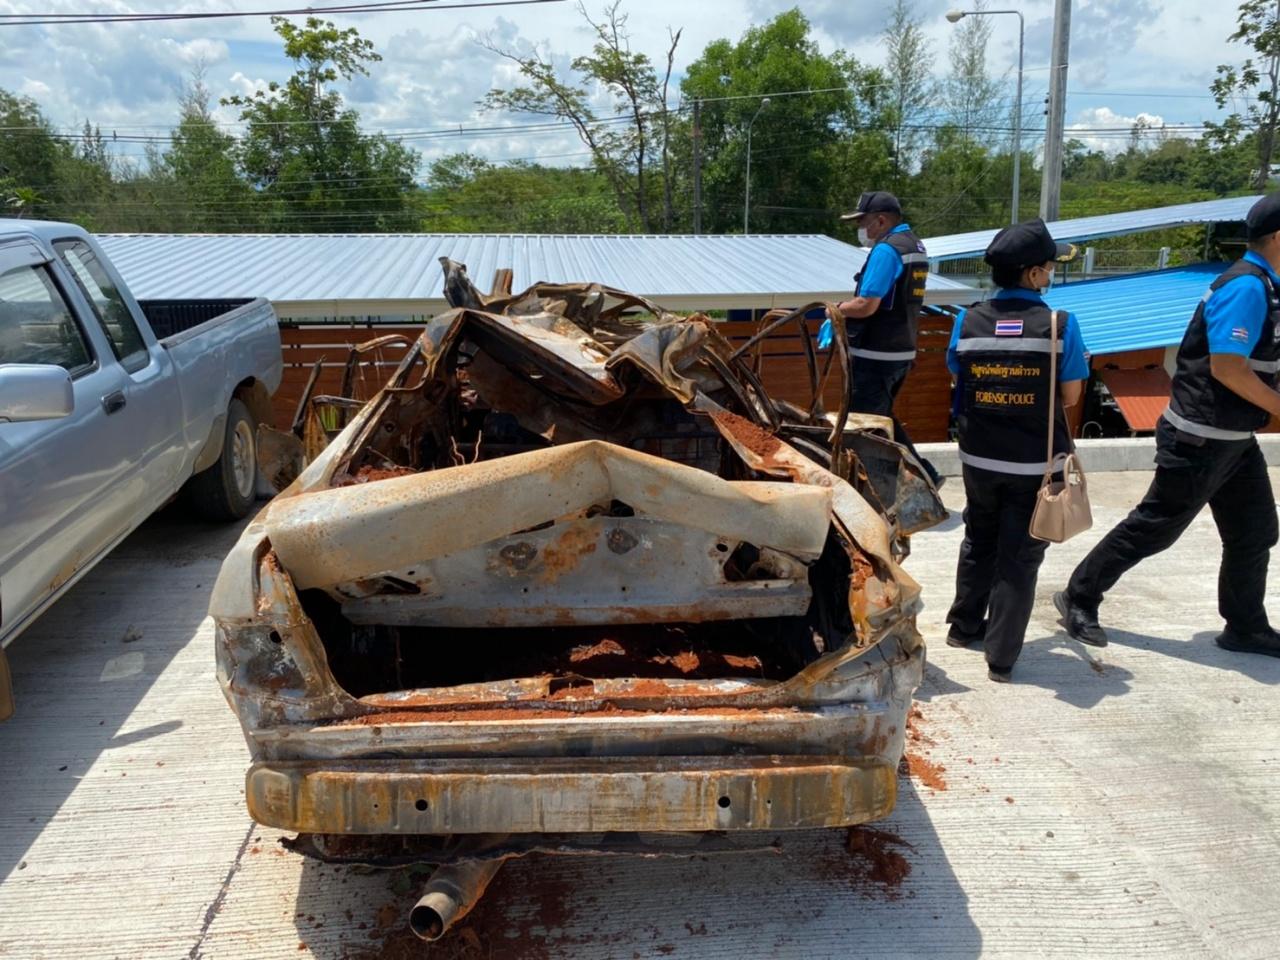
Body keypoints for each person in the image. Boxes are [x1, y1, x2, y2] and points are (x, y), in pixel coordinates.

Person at [1055, 193, 1280, 658]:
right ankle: (1079, 595)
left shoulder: (1266, 285)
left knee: (1256, 530)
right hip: (1200, 437)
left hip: (1233, 438)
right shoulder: (1247, 287)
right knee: (1156, 526)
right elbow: (1228, 368)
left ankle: (1245, 626)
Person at [944, 219, 1088, 683]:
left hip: (978, 457)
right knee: (1020, 556)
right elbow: (1070, 396)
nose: (1050, 274)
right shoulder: (1059, 325)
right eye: (1048, 267)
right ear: (1032, 273)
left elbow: (958, 373)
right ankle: (1001, 657)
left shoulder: (967, 319)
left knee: (978, 538)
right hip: (1033, 464)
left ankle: (964, 627)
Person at [828, 190, 940, 486]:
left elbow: (866, 305)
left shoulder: (887, 250)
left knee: (864, 427)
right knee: (882, 417)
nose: (859, 228)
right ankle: (926, 474)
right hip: (899, 353)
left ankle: (884, 490)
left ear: (880, 220)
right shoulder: (914, 245)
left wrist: (835, 310)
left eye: (862, 221)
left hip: (874, 356)